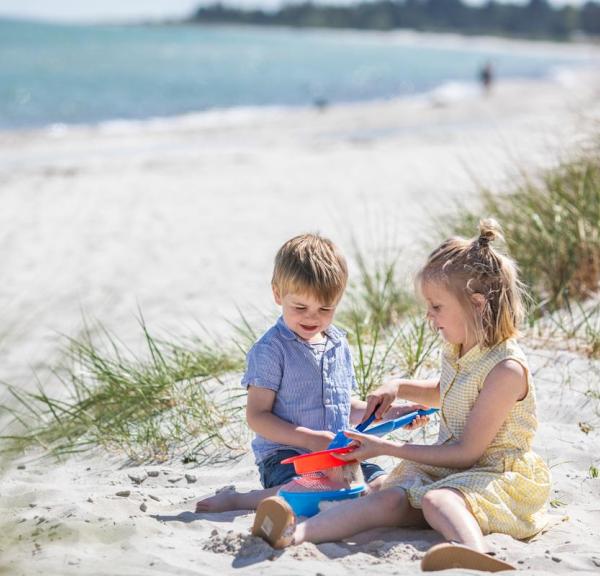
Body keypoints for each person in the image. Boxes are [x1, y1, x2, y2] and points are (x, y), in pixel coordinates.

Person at [251, 220, 551, 573]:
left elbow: (467, 452)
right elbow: (448, 393)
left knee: (439, 501)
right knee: (387, 496)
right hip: (454, 471)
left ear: (476, 304)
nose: (429, 316)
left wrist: (385, 448)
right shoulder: (460, 349)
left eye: (437, 307)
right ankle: (296, 534)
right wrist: (399, 387)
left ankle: (474, 554)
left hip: (493, 476)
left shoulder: (506, 370)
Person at [196, 233, 426, 513]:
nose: (312, 317)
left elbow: (343, 407)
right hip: (289, 456)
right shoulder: (271, 349)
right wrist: (309, 439)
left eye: (325, 308)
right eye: (300, 307)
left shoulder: (338, 344)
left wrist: (392, 413)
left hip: (337, 452)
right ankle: (239, 500)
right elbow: (257, 416)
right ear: (278, 294)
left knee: (385, 486)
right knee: (314, 491)